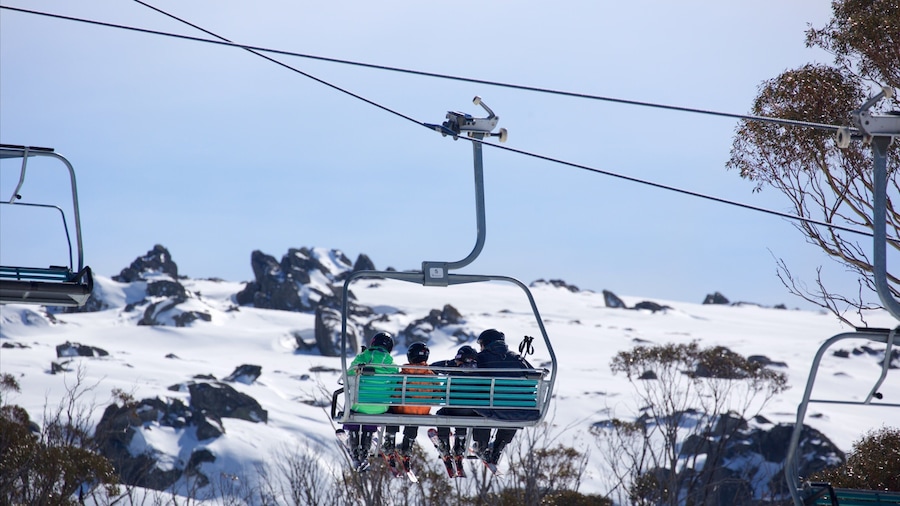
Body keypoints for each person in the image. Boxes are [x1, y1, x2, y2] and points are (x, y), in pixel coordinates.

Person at [471, 328, 539, 466]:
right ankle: (497, 449)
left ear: (485, 344)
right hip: (520, 409)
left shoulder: (480, 359)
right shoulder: (517, 358)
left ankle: (482, 445)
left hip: (491, 409)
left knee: (480, 406)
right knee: (513, 408)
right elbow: (535, 376)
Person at [344, 331, 397, 469]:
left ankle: (355, 446)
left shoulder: (363, 356)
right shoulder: (391, 363)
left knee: (354, 406)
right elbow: (395, 383)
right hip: (380, 408)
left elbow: (348, 375)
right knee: (372, 408)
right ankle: (365, 449)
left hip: (358, 405)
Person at [383, 341, 436, 466]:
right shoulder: (431, 375)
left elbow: (394, 393)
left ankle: (389, 443)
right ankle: (407, 448)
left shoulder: (403, 374)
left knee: (391, 410)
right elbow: (438, 394)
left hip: (402, 410)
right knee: (414, 414)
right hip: (422, 412)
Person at [430, 345, 479, 459]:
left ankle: (444, 444)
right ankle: (460, 444)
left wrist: (451, 363)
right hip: (473, 411)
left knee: (442, 414)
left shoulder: (454, 369)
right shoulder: (480, 370)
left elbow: (433, 367)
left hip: (453, 410)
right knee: (463, 412)